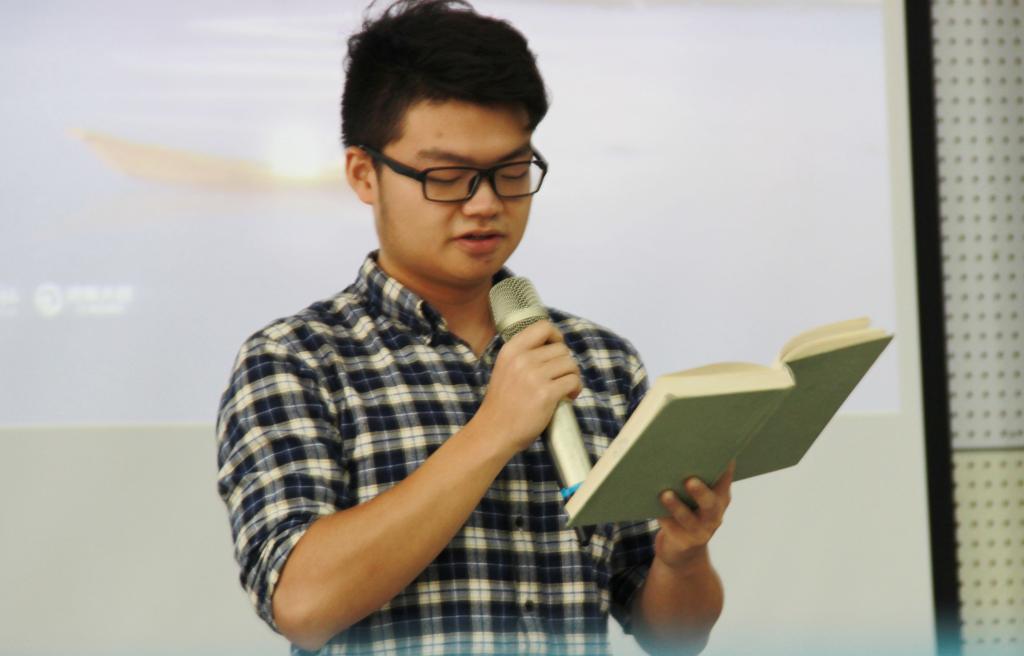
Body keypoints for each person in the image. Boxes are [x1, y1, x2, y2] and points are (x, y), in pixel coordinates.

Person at [216, 1, 733, 654]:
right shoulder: (297, 360)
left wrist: (684, 556)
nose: (485, 203)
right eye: (448, 177)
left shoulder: (601, 360)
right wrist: (493, 430)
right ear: (363, 174)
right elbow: (301, 602)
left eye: (511, 172)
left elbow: (672, 637)